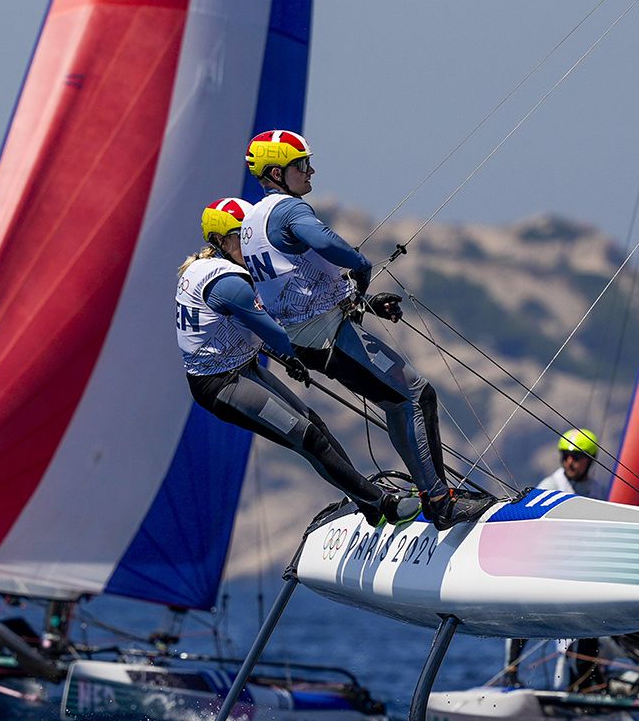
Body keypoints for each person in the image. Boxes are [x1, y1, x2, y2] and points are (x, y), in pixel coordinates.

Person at [240, 130, 486, 527]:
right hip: (329, 336)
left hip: (309, 339)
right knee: (417, 395)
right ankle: (441, 503)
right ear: (276, 173)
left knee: (397, 402)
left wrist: (360, 298)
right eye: (301, 164)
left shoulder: (251, 221)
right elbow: (324, 241)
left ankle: (432, 493)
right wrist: (360, 264)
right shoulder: (287, 210)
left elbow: (295, 283)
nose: (311, 171)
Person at [177, 197, 420, 526]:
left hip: (243, 367)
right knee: (307, 437)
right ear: (220, 242)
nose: (248, 244)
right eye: (239, 236)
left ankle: (369, 503)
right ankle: (383, 505)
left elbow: (293, 308)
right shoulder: (229, 282)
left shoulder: (224, 269)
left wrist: (367, 305)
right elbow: (276, 331)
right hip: (221, 384)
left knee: (313, 425)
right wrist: (300, 356)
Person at [536, 428, 609, 499]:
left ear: (590, 459)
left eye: (576, 456)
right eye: (565, 456)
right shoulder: (548, 488)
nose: (569, 462)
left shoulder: (599, 492)